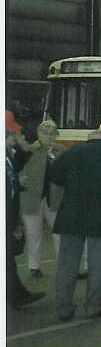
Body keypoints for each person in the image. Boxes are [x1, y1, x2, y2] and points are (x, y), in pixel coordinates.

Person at [49, 115, 101, 320]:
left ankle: (63, 308)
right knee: (98, 264)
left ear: (99, 129)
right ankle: (93, 307)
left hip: (72, 214)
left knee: (67, 263)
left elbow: (55, 175)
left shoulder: (75, 151)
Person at [6, 111, 46, 309]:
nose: (17, 137)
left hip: (8, 215)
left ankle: (17, 295)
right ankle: (16, 296)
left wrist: (17, 182)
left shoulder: (7, 154)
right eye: (13, 134)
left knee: (7, 260)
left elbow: (14, 170)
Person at [18, 119, 66, 278]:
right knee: (33, 234)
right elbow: (17, 169)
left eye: (52, 134)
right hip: (31, 198)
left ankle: (63, 266)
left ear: (56, 135)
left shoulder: (62, 152)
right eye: (45, 133)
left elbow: (68, 173)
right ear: (39, 134)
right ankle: (34, 266)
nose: (48, 137)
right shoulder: (28, 150)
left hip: (55, 199)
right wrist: (20, 177)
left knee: (60, 234)